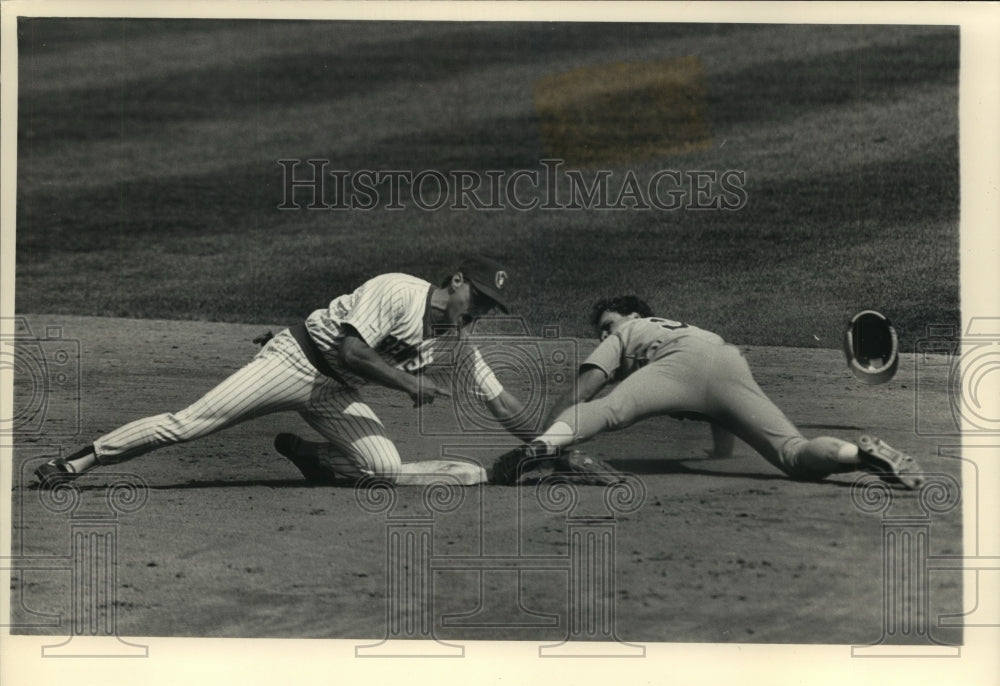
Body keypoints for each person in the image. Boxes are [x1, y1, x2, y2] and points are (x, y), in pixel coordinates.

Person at [35, 256, 534, 488]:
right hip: (293, 362)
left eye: (491, 307)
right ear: (458, 280)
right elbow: (354, 351)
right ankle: (79, 461)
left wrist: (548, 444)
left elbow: (501, 400)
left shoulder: (456, 340)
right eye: (481, 299)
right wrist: (408, 382)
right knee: (188, 424)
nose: (482, 311)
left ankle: (313, 455)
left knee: (382, 469)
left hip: (334, 394)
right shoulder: (400, 291)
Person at [490, 295, 925, 489]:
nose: (605, 332)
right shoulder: (684, 329)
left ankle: (539, 450)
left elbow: (579, 392)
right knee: (794, 454)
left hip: (680, 366)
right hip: (725, 356)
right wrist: (720, 452)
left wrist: (544, 441)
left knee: (609, 409)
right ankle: (860, 455)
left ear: (634, 315)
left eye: (608, 324)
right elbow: (717, 403)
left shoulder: (629, 331)